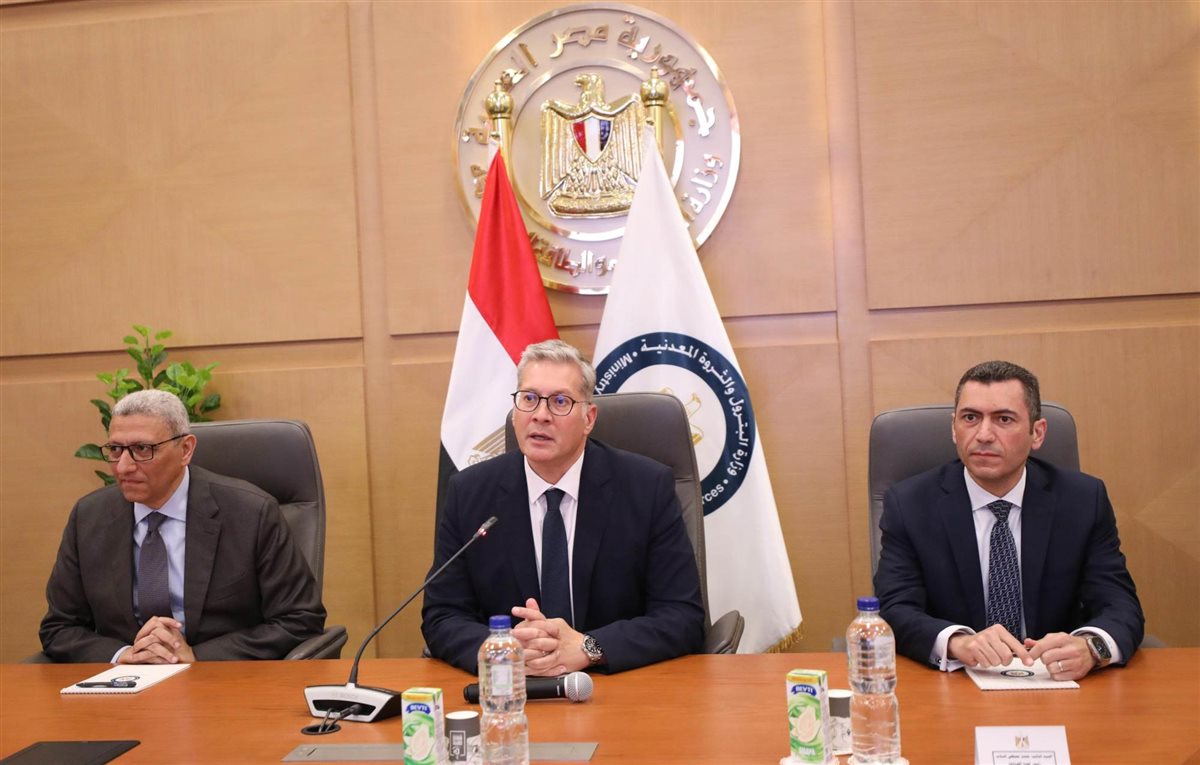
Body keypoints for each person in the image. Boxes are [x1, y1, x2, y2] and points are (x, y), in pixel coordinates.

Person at [421, 339, 705, 675]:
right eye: (529, 398)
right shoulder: (470, 493)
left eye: (560, 402)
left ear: (589, 418)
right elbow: (442, 614)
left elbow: (681, 616)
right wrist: (504, 652)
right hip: (512, 685)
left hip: (616, 685)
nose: (540, 415)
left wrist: (590, 647)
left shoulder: (646, 487)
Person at [874, 361, 1144, 681]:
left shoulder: (1083, 500)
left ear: (1037, 433)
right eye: (970, 418)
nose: (984, 435)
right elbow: (895, 608)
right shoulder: (910, 504)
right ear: (954, 428)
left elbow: (1120, 605)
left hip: (1056, 681)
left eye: (1004, 419)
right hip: (955, 681)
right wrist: (957, 641)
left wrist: (1091, 647)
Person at [40, 390, 326, 663]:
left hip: (222, 679)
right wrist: (124, 654)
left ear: (186, 450)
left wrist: (199, 657)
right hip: (125, 682)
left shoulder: (251, 513)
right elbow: (60, 627)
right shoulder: (89, 517)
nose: (123, 467)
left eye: (142, 449)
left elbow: (300, 619)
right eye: (115, 449)